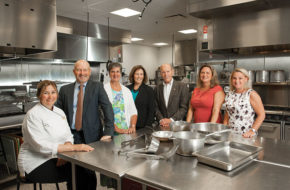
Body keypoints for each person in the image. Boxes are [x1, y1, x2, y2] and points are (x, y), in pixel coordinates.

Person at [18, 80, 94, 190]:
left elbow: (68, 135)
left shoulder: (59, 112)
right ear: (39, 95)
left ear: (57, 94)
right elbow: (40, 145)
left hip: (56, 156)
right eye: (46, 93)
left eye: (53, 92)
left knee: (87, 171)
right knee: (79, 174)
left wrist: (65, 152)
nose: (50, 96)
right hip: (35, 163)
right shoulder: (33, 115)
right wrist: (73, 148)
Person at [56, 59, 114, 190]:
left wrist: (108, 132)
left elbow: (108, 109)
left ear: (89, 71)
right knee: (71, 170)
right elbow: (57, 113)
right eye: (79, 70)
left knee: (88, 171)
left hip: (91, 136)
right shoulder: (65, 90)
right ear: (74, 72)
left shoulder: (97, 86)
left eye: (85, 70)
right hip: (70, 136)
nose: (82, 73)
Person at [223, 68, 265, 138]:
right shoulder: (230, 94)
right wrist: (224, 129)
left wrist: (252, 131)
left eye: (240, 78)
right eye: (234, 78)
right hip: (231, 135)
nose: (237, 81)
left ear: (246, 79)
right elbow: (228, 114)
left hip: (246, 135)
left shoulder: (251, 94)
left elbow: (262, 115)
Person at [104, 62, 138, 134]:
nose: (115, 74)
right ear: (109, 73)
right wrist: (117, 129)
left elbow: (133, 111)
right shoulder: (103, 89)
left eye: (117, 71)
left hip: (127, 131)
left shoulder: (127, 91)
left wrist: (133, 126)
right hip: (110, 132)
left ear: (120, 73)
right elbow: (102, 114)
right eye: (112, 72)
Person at [155, 63, 189, 129]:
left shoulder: (182, 86)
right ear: (160, 74)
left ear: (172, 72)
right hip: (162, 125)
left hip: (177, 125)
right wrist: (161, 120)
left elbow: (183, 108)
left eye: (168, 71)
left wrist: (171, 120)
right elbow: (155, 107)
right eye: (163, 72)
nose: (166, 74)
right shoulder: (157, 88)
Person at [127, 65, 155, 129]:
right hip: (127, 124)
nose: (139, 76)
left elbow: (151, 110)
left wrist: (147, 126)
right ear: (133, 75)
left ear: (144, 76)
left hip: (142, 126)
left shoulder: (149, 90)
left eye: (141, 74)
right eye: (137, 74)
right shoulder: (127, 89)